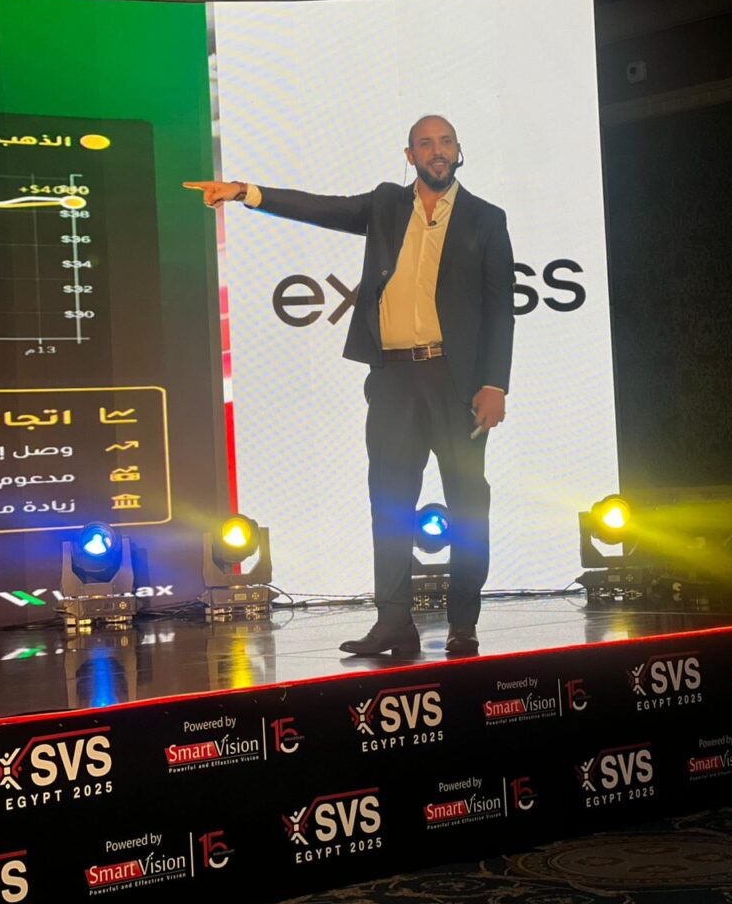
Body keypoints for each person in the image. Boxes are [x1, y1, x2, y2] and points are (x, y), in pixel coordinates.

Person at [184, 115, 515, 657]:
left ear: (458, 150)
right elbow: (322, 208)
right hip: (392, 379)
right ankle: (394, 622)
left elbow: (500, 310)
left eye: (445, 142)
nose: (436, 151)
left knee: (468, 506)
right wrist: (246, 192)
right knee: (389, 503)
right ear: (409, 156)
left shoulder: (486, 218)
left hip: (456, 383)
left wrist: (494, 384)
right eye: (425, 143)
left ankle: (463, 623)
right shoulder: (386, 205)